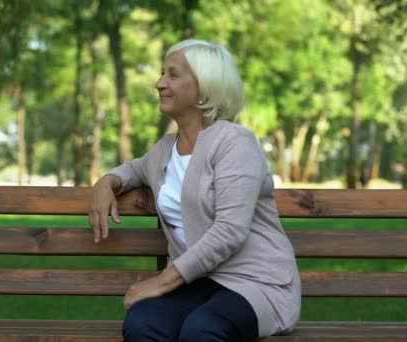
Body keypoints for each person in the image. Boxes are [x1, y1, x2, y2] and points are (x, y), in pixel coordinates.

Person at [88, 39, 301, 341]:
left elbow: (230, 231)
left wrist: (161, 283)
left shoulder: (235, 143)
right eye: (162, 74)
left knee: (202, 331)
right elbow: (134, 170)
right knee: (142, 324)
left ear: (203, 90)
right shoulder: (164, 150)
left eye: (173, 75)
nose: (160, 83)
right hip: (200, 283)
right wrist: (105, 183)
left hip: (258, 283)